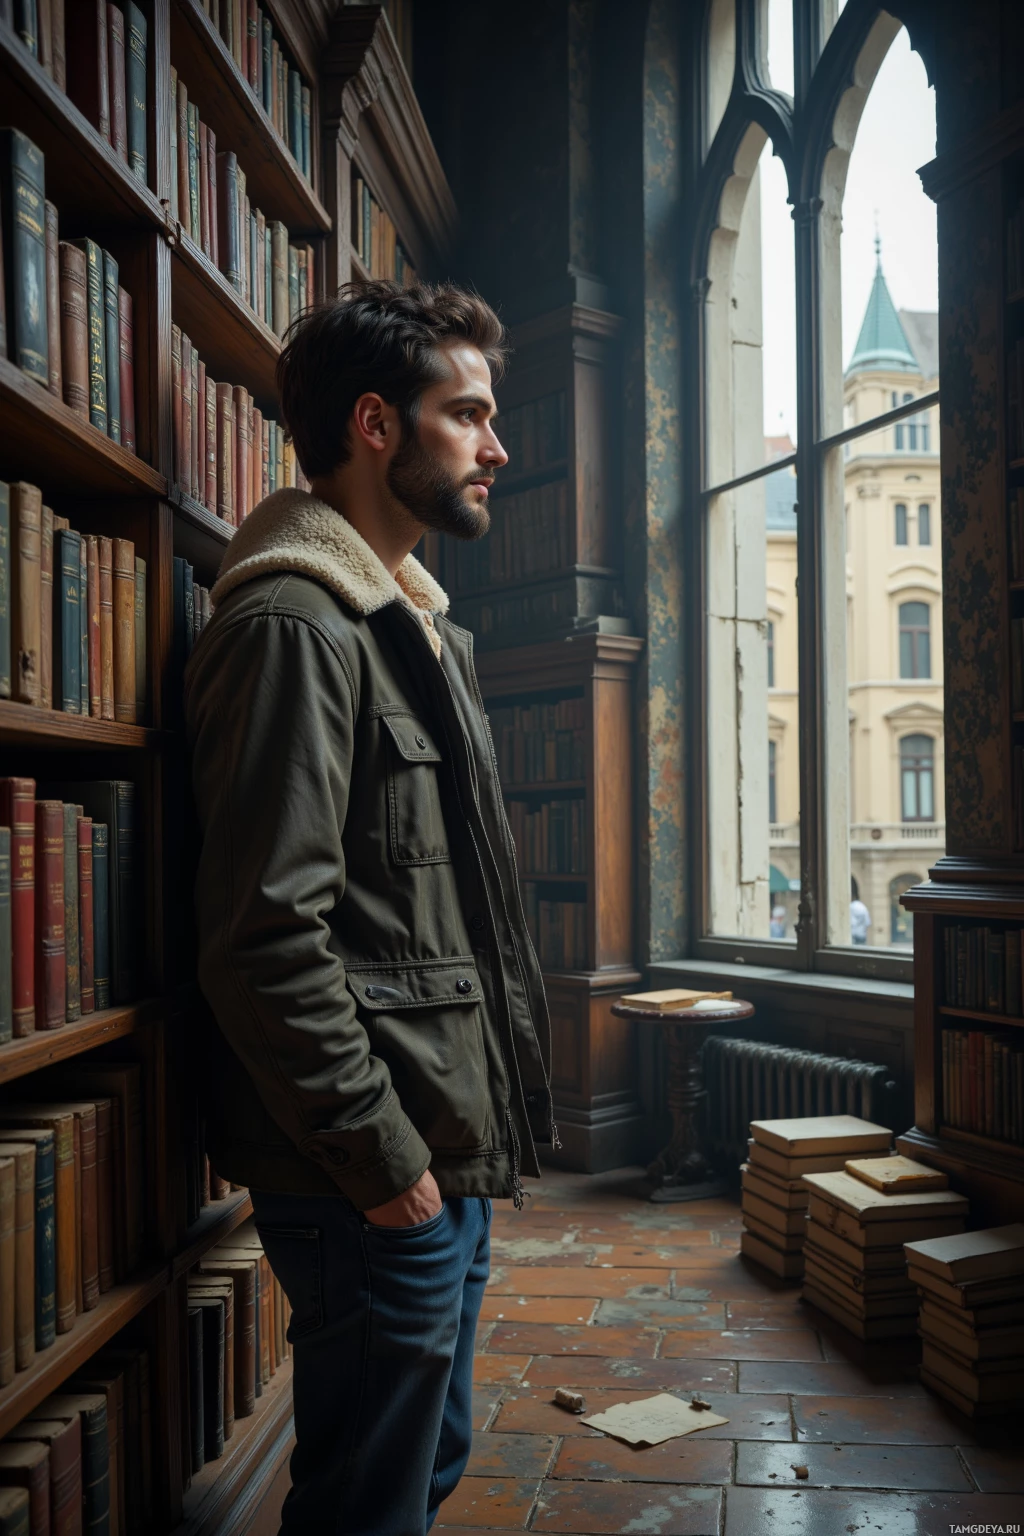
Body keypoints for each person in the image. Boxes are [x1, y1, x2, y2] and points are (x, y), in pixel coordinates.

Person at [184, 281, 553, 1536]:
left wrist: (446, 1167)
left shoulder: (415, 632)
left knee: (423, 1467)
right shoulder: (294, 625)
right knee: (365, 1504)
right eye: (470, 415)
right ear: (376, 425)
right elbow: (263, 940)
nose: (498, 447)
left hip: (436, 1152)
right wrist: (391, 1171)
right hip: (372, 1168)